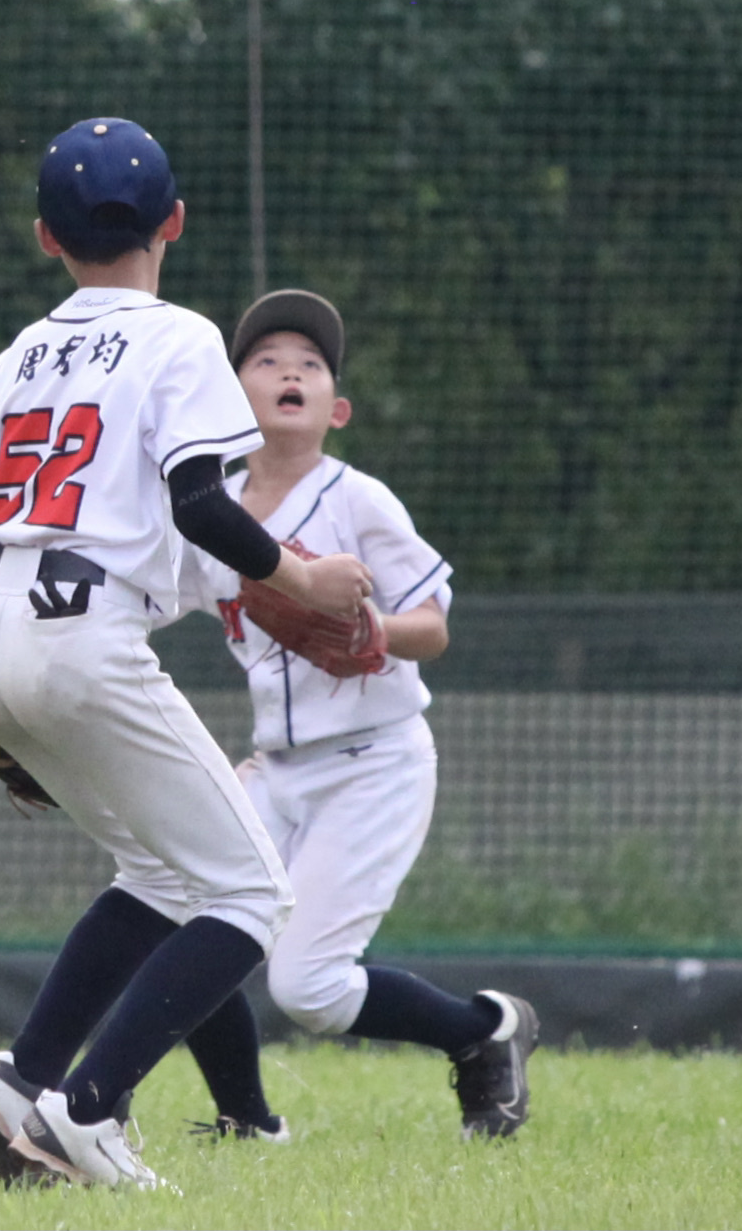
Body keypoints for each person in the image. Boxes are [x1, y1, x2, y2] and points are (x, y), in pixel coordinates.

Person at [0, 118, 376, 1191]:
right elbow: (198, 502)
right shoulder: (179, 338)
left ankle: (23, 1077)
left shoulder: (21, 353)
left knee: (162, 872)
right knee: (251, 897)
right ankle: (85, 1110)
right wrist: (301, 577)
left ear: (45, 236)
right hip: (85, 635)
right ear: (174, 221)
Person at [169, 290, 539, 1143]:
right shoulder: (210, 512)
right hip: (277, 766)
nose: (290, 370)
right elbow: (147, 598)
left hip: (376, 762)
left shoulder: (358, 499)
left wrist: (377, 629)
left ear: (336, 409)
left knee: (309, 987)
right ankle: (247, 1120)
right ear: (230, 401)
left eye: (311, 363)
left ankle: (483, 1031)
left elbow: (433, 627)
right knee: (186, 925)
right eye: (266, 360)